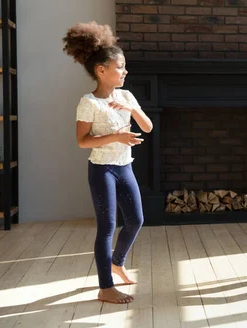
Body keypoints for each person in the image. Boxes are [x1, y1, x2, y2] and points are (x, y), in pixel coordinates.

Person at [63, 22, 153, 304]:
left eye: (124, 66)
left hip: (124, 167)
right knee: (107, 227)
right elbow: (82, 141)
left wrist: (132, 109)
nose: (125, 71)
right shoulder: (89, 102)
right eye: (120, 67)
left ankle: (117, 261)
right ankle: (106, 287)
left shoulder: (126, 96)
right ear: (101, 70)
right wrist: (116, 135)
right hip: (102, 170)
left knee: (136, 219)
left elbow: (148, 128)